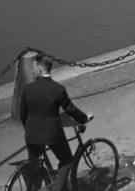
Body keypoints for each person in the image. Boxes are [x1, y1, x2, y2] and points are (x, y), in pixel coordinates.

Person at [19, 53, 91, 191]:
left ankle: (33, 188)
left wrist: (29, 129)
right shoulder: (58, 89)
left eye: (34, 68)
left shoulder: (28, 89)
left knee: (34, 166)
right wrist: (84, 118)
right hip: (52, 134)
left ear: (39, 70)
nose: (33, 71)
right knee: (66, 160)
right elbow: (70, 110)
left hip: (32, 134)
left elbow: (23, 115)